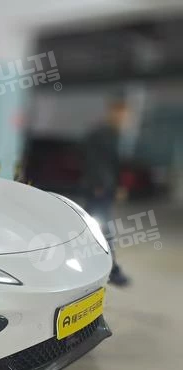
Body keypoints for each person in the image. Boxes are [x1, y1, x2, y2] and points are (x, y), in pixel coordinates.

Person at [82, 99, 131, 287]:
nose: (124, 119)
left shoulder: (114, 135)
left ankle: (100, 266)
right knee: (102, 228)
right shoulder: (100, 134)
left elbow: (115, 164)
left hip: (106, 188)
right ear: (112, 113)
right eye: (121, 115)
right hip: (99, 188)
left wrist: (118, 186)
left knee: (92, 226)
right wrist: (98, 184)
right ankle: (111, 270)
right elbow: (92, 160)